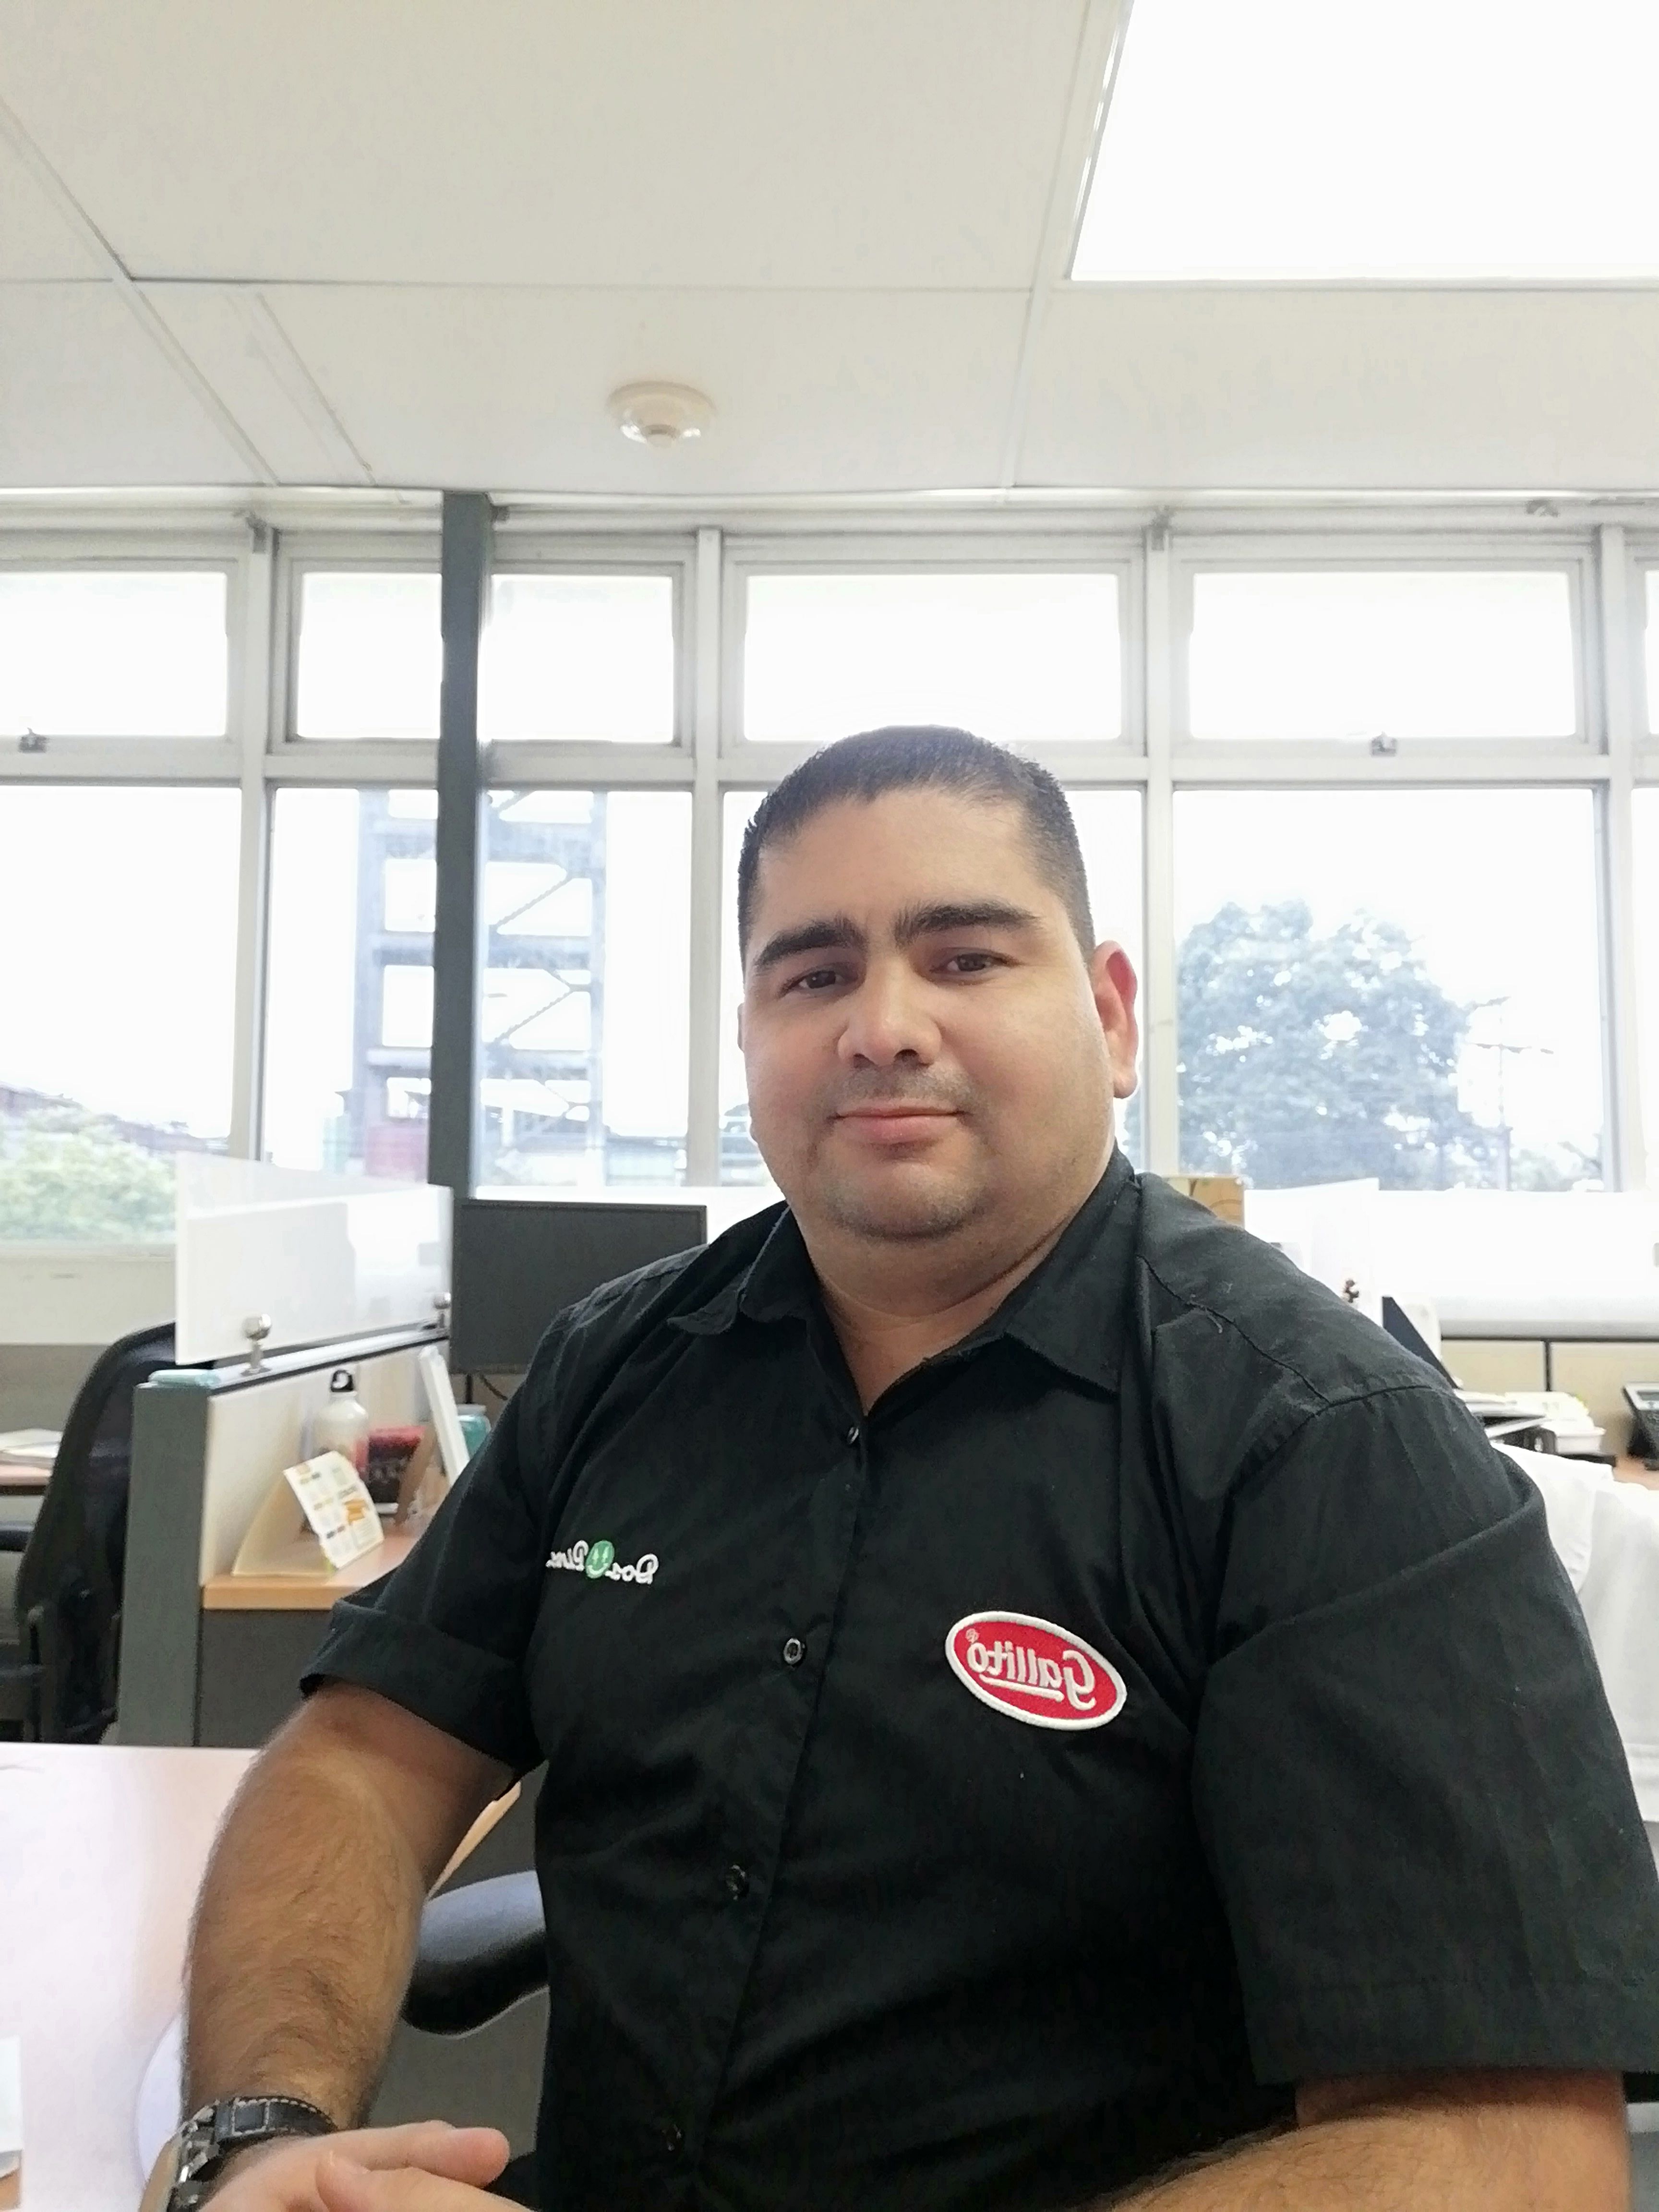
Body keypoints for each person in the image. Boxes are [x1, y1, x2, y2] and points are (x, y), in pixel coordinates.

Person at [162, 727, 1659, 2212]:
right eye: (813, 975)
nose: (882, 1026)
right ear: (750, 1037)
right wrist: (263, 2137)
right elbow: (364, 1764)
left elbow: (1511, 2153)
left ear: (1112, 1017)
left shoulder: (1328, 1442)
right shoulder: (620, 1367)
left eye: (965, 958)